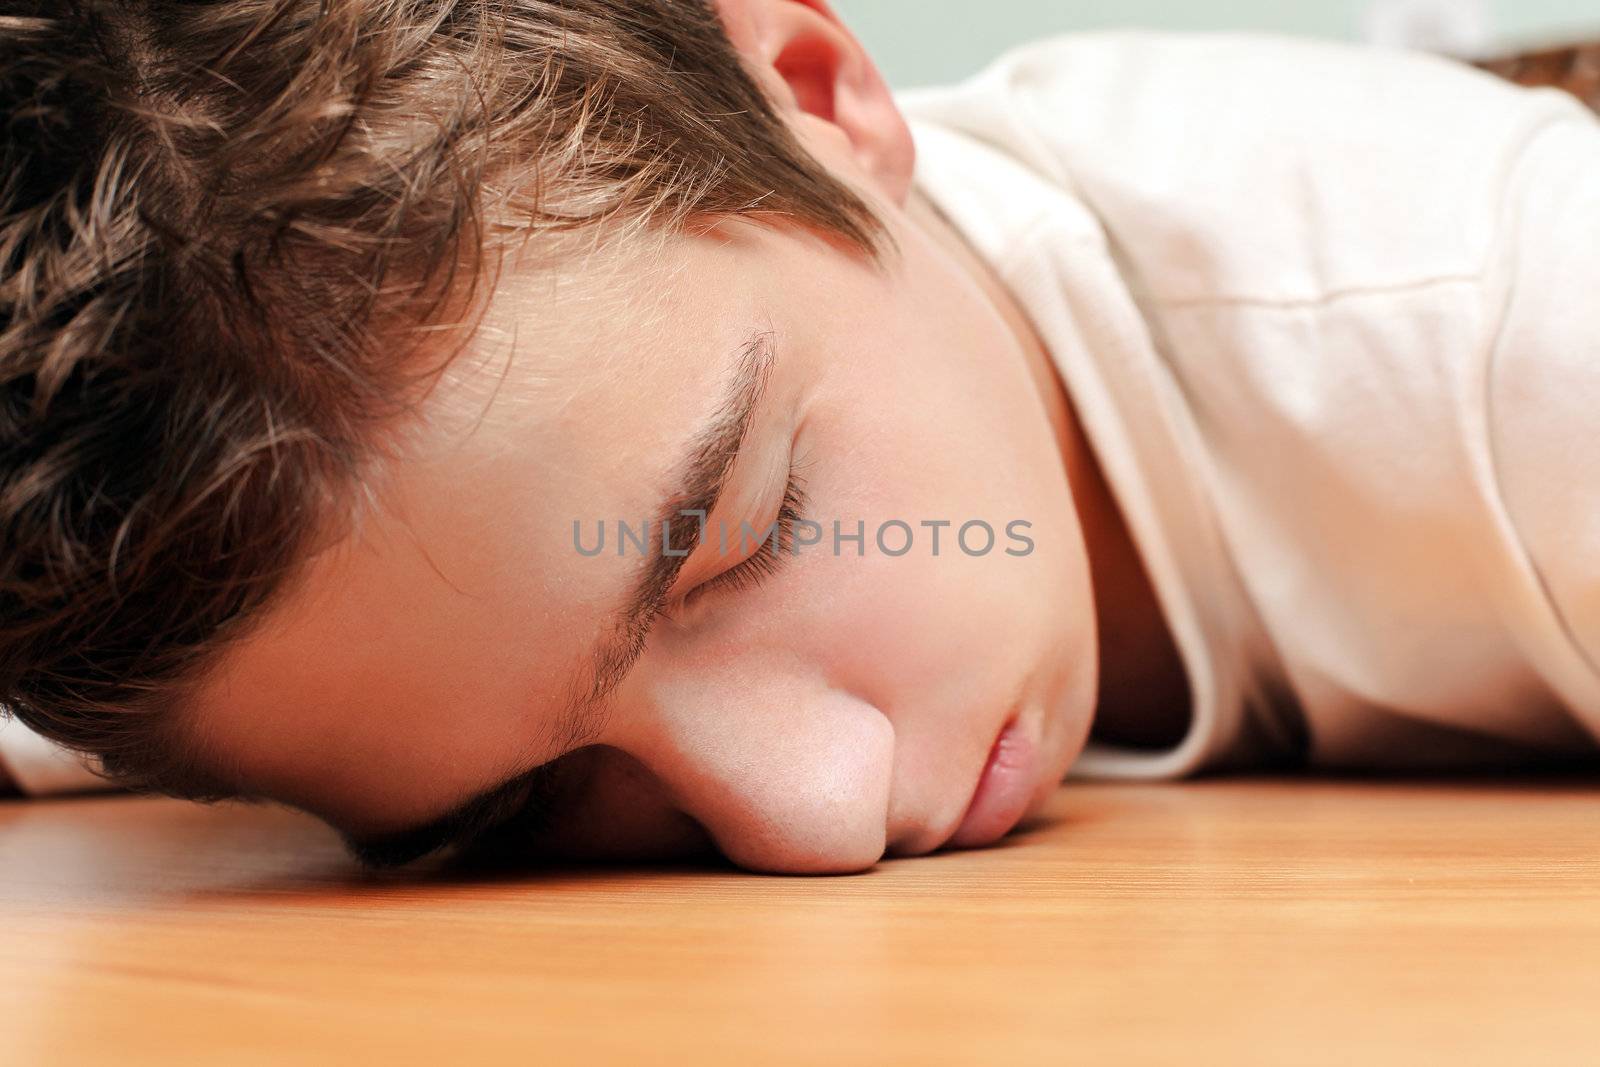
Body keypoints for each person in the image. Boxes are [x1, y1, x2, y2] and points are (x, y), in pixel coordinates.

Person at [2, 0, 1597, 873]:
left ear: (823, 99)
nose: (818, 816)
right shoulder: (327, 634)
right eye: (522, 811)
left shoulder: (1519, 332)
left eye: (747, 534)